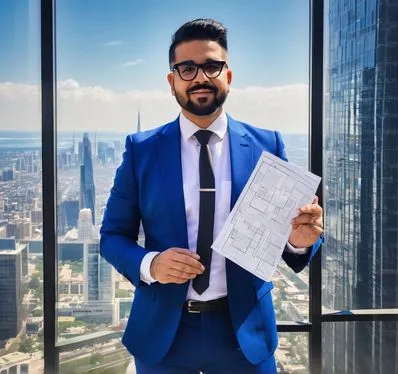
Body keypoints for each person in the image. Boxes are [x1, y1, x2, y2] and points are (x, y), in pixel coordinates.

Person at [100, 18, 324, 374]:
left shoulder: (267, 145)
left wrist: (297, 241)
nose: (200, 78)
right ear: (172, 81)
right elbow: (112, 238)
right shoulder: (141, 150)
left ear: (228, 76)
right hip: (164, 336)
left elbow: (288, 243)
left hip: (244, 333)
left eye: (211, 66)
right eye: (187, 68)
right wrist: (151, 264)